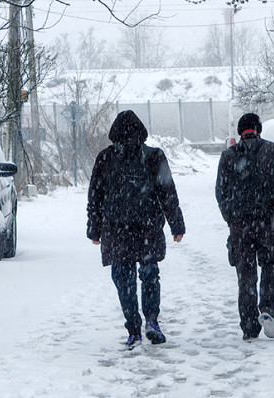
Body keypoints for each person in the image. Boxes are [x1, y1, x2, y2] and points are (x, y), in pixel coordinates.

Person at [87, 110, 186, 350]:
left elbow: (95, 196)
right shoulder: (154, 156)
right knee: (150, 275)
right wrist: (176, 225)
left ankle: (133, 328)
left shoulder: (106, 157)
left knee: (123, 279)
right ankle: (152, 320)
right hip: (148, 228)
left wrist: (94, 229)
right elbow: (167, 192)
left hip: (116, 229)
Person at [215, 113, 274, 341]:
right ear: (259, 129)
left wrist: (232, 218)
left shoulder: (229, 156)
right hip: (270, 224)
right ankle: (268, 309)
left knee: (246, 275)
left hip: (241, 227)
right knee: (271, 267)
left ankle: (249, 327)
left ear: (240, 132)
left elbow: (221, 192)